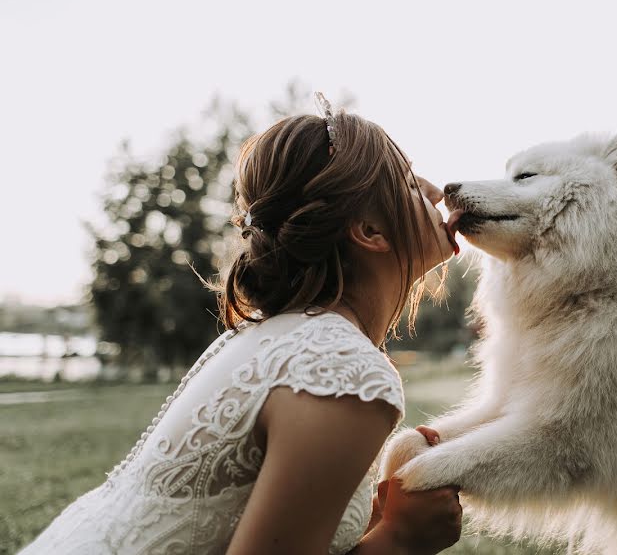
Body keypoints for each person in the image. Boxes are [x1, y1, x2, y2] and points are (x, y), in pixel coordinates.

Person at [20, 94, 463, 555]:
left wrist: (371, 525)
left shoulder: (268, 337)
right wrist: (401, 540)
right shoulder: (341, 367)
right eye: (409, 184)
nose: (436, 191)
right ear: (369, 230)